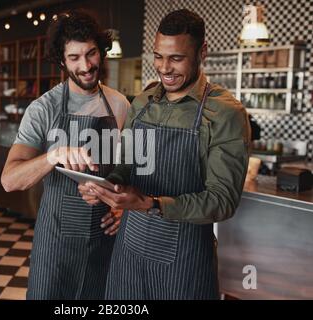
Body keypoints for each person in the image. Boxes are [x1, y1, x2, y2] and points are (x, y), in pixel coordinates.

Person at [79, 9, 251, 299]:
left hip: (185, 260)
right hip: (129, 251)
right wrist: (108, 186)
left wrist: (152, 204)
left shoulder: (224, 113)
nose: (164, 68)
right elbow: (126, 165)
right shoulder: (143, 102)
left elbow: (223, 201)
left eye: (176, 58)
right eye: (159, 56)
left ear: (202, 53)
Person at [1, 11, 130, 299]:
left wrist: (123, 207)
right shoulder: (42, 109)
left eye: (91, 53)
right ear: (61, 60)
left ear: (101, 51)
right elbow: (9, 180)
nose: (85, 66)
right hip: (56, 242)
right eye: (74, 58)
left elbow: (127, 172)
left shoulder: (119, 105)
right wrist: (53, 155)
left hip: (103, 239)